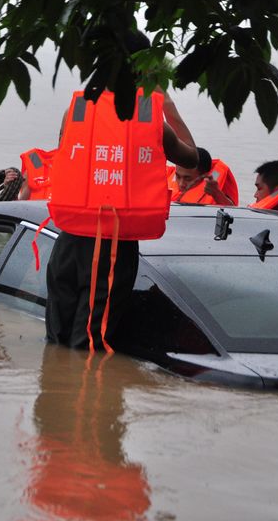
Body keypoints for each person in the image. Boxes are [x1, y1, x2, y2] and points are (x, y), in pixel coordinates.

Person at [45, 77, 203, 350]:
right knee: (90, 345)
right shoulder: (149, 119)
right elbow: (192, 158)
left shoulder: (76, 110)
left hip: (69, 238)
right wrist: (167, 103)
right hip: (112, 245)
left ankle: (56, 387)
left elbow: (65, 151)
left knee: (57, 336)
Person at [160, 92, 238, 206]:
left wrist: (216, 193)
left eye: (187, 178)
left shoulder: (214, 189)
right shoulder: (168, 174)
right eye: (178, 176)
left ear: (204, 175)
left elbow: (232, 210)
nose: (181, 184)